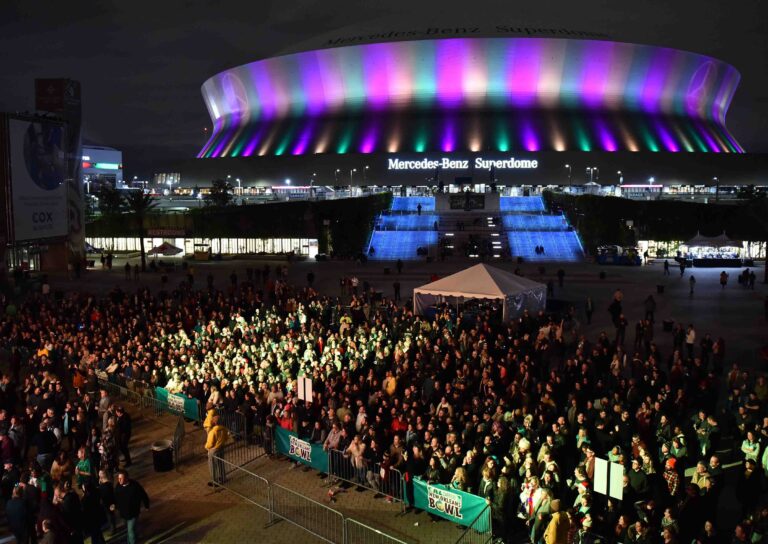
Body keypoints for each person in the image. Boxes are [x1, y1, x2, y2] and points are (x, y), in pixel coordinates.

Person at [112, 470, 150, 544]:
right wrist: (114, 505)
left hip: (133, 513)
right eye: (118, 478)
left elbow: (143, 494)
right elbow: (116, 498)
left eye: (121, 478)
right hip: (123, 513)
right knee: (130, 530)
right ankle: (133, 539)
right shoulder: (118, 486)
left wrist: (146, 505)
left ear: (126, 478)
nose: (119, 480)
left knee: (130, 531)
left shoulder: (134, 486)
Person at [205, 414, 230, 486]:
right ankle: (223, 478)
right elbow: (226, 438)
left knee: (212, 465)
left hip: (214, 450)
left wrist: (207, 447)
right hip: (221, 448)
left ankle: (214, 481)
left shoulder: (213, 432)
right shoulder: (224, 429)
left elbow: (209, 444)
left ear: (215, 422)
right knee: (221, 463)